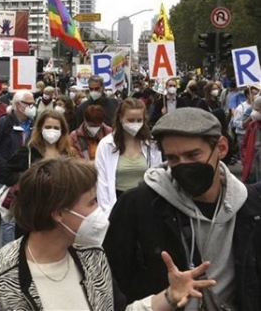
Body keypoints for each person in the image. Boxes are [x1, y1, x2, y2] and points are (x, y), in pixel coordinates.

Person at [0, 158, 216, 311]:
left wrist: (170, 297)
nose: (99, 211)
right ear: (59, 213)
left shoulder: (92, 256)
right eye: (91, 202)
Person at [104, 107, 261, 310]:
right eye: (173, 158)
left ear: (221, 148)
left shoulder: (251, 205)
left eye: (193, 155)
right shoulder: (138, 205)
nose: (183, 166)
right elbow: (113, 279)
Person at [1, 109, 79, 240]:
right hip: (31, 213)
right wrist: (31, 179)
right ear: (40, 129)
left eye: (56, 128)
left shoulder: (70, 154)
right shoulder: (27, 152)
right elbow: (7, 175)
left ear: (63, 131)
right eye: (48, 127)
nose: (52, 131)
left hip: (61, 213)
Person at [0, 90, 35, 246]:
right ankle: (7, 258)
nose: (32, 107)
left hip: (28, 177)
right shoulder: (4, 123)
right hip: (7, 178)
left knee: (27, 219)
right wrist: (6, 165)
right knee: (9, 219)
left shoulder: (34, 124)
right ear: (18, 105)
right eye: (28, 103)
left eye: (33, 103)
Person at [95, 98, 162, 214]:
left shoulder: (151, 145)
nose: (135, 124)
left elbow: (158, 176)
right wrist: (107, 213)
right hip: (117, 203)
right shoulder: (106, 145)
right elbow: (102, 182)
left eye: (139, 120)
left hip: (145, 204)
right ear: (120, 118)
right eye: (130, 120)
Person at [241, 95, 261, 183]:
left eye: (257, 109)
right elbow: (244, 144)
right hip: (252, 169)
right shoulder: (252, 125)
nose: (255, 112)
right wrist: (246, 158)